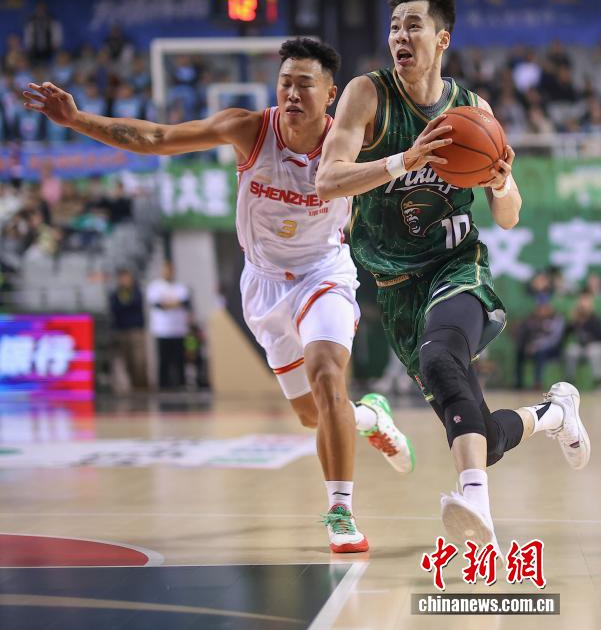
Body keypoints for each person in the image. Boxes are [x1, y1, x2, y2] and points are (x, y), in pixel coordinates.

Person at [22, 37, 415, 554]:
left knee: (326, 376)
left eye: (305, 84)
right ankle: (370, 417)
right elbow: (157, 137)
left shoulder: (349, 143)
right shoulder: (249, 129)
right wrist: (77, 120)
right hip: (264, 283)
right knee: (312, 414)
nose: (292, 93)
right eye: (285, 82)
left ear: (331, 94)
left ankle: (340, 511)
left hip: (324, 274)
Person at [316, 0, 590, 549]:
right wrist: (404, 160)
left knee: (442, 357)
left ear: (442, 39)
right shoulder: (368, 95)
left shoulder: (473, 112)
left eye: (413, 26)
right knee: (480, 433)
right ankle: (554, 413)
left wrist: (503, 181)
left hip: (455, 266)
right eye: (394, 27)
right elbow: (328, 180)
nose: (400, 36)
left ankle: (475, 504)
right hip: (395, 286)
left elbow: (508, 216)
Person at [146, 261, 191, 390]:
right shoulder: (155, 287)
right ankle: (163, 386)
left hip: (178, 329)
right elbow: (158, 305)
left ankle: (181, 385)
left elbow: (184, 302)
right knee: (164, 360)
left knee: (179, 360)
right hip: (162, 330)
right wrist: (174, 304)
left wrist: (168, 304)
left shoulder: (181, 287)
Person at [109, 268, 148, 392]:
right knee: (127, 360)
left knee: (139, 360)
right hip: (122, 331)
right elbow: (116, 308)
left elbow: (133, 305)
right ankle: (132, 386)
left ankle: (141, 386)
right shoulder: (116, 294)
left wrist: (125, 306)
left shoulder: (136, 292)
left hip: (136, 330)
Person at [515, 300, 565, 390]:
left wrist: (537, 345)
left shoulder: (557, 319)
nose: (542, 311)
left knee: (540, 353)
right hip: (533, 347)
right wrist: (528, 345)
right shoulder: (533, 320)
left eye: (544, 308)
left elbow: (554, 339)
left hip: (552, 348)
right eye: (540, 308)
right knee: (520, 352)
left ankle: (538, 383)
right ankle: (519, 383)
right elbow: (526, 335)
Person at [564, 290, 601, 387]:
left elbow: (598, 335)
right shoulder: (575, 318)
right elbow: (566, 332)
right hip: (580, 345)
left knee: (594, 352)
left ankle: (598, 381)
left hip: (593, 344)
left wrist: (588, 317)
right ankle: (569, 380)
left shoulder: (595, 318)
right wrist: (574, 320)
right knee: (571, 351)